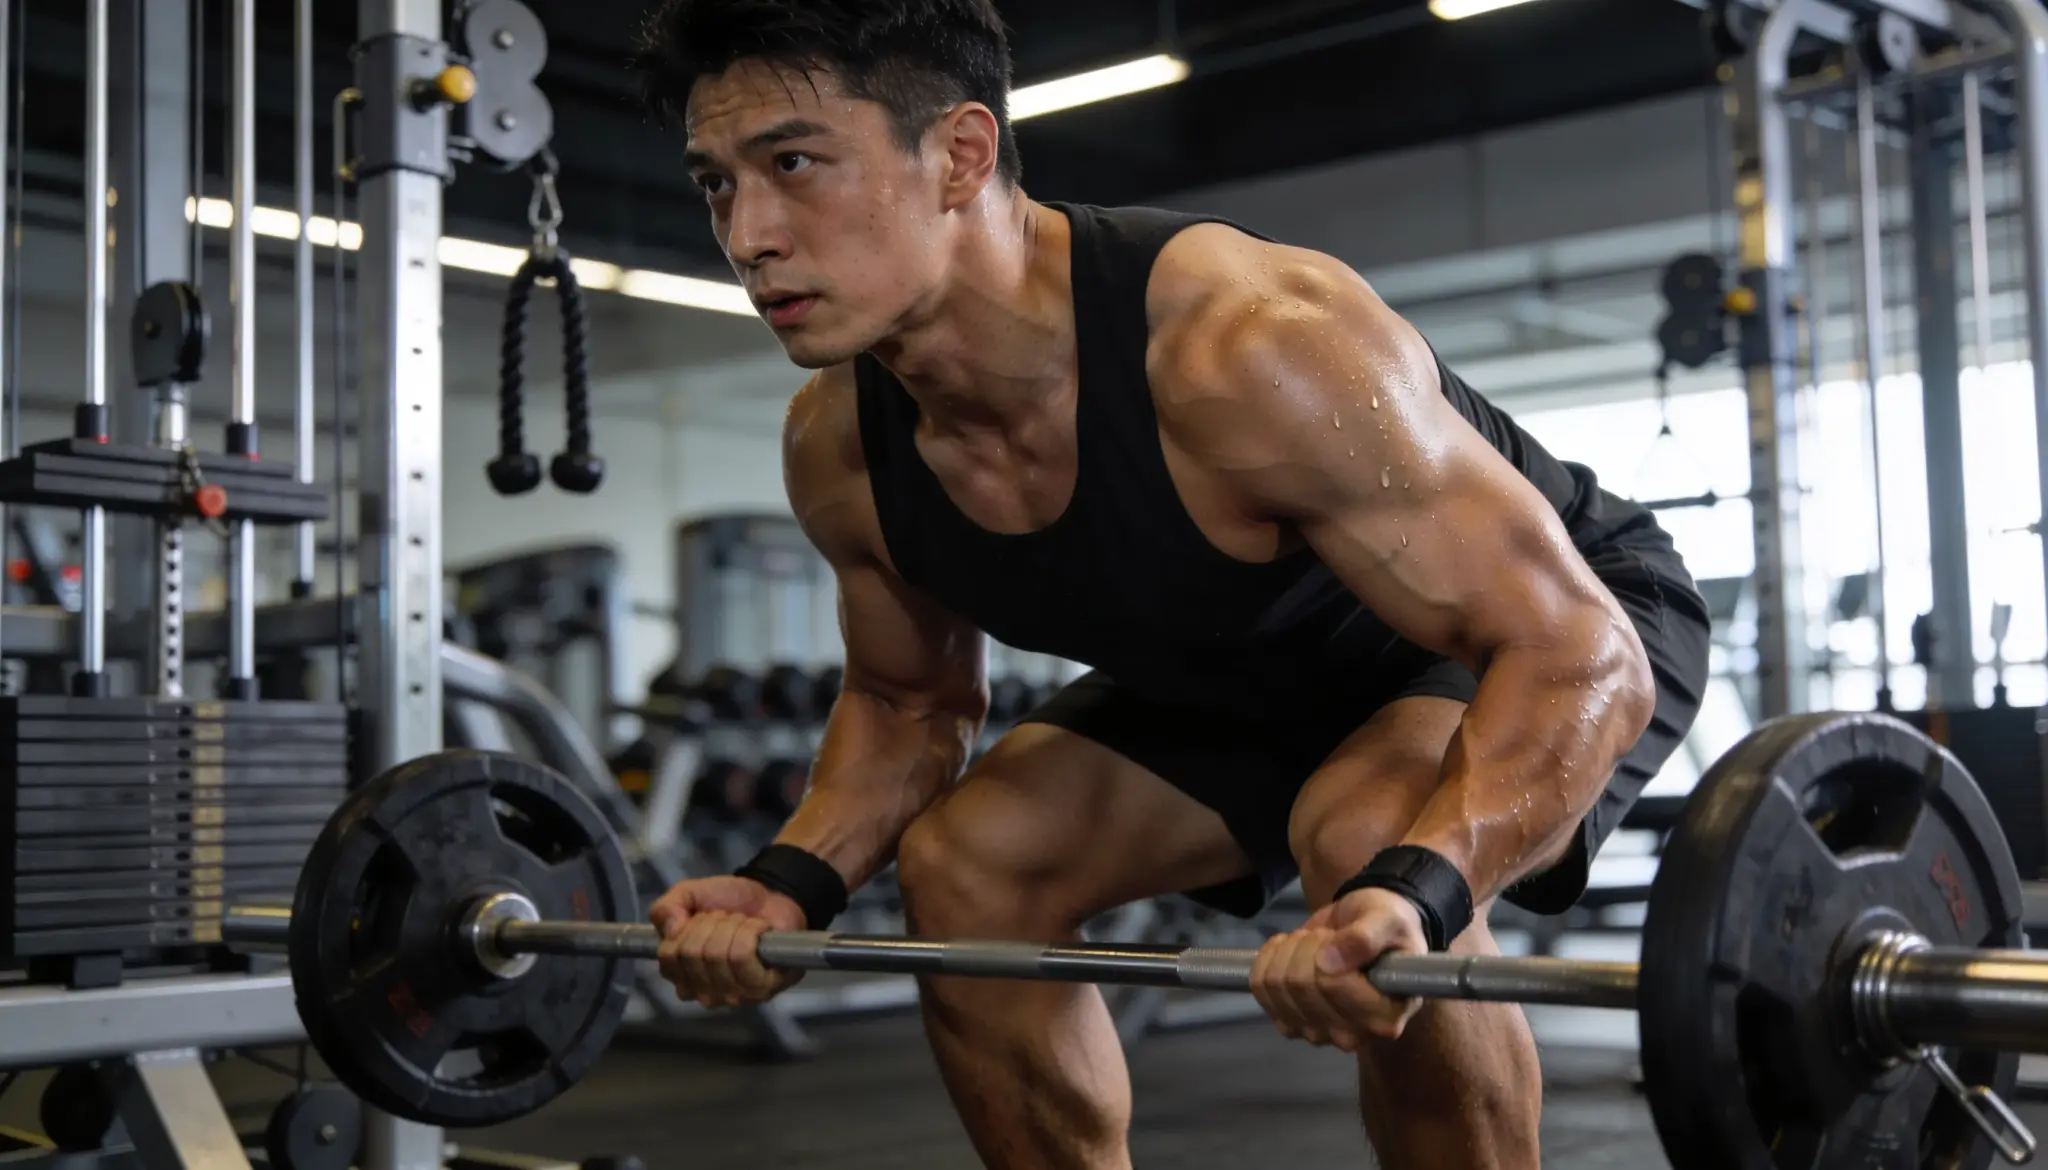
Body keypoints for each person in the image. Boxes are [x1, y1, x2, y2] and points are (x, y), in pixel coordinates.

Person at [632, 2, 1710, 1167]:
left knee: (1358, 831)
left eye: (793, 165)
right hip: (1246, 661)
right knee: (970, 866)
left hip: (1553, 620)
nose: (747, 235)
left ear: (959, 154)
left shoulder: (1241, 341)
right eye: (714, 184)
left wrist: (1421, 893)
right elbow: (906, 706)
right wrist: (784, 883)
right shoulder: (839, 445)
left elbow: (1572, 653)